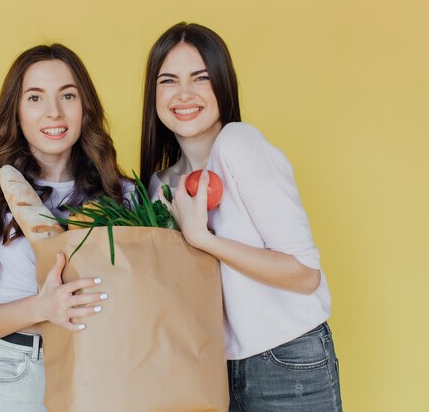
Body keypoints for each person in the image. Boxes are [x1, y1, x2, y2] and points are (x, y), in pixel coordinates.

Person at [140, 23, 342, 412]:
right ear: (153, 94)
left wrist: (206, 240)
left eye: (200, 78)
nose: (184, 94)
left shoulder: (238, 144)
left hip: (287, 358)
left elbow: (304, 274)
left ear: (222, 83)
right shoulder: (160, 187)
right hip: (208, 368)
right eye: (168, 81)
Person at [0, 44, 130, 412]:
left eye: (68, 95)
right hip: (20, 371)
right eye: (35, 97)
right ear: (15, 111)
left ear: (85, 108)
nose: (54, 112)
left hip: (106, 366)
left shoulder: (122, 194)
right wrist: (43, 306)